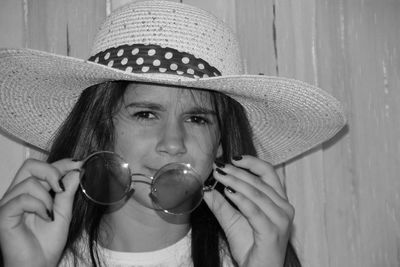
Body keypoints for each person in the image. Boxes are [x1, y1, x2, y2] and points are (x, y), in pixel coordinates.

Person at [0, 1, 346, 266]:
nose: (173, 144)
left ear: (221, 142)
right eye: (146, 113)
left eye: (197, 119)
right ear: (101, 128)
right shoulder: (35, 252)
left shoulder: (250, 257)